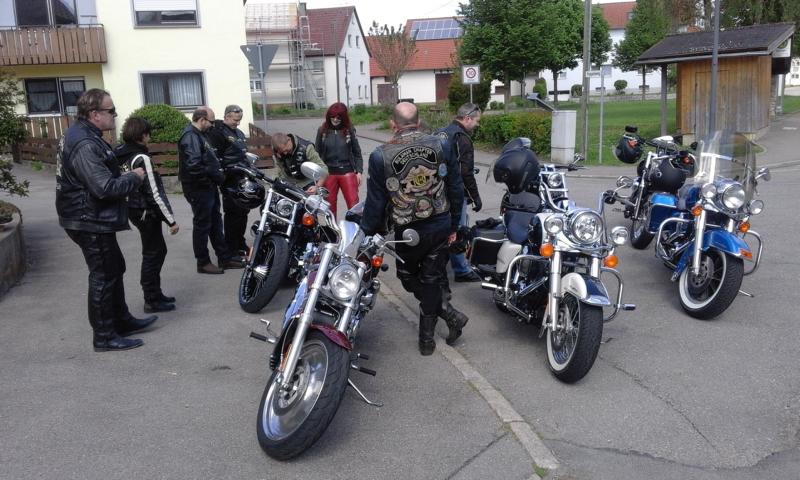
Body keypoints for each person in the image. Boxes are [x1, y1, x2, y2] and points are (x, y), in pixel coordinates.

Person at [360, 101, 469, 356]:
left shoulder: (380, 155)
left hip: (408, 231)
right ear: (418, 122)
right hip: (439, 222)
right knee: (430, 279)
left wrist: (367, 231)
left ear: (392, 124)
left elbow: (376, 201)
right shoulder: (441, 144)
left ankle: (430, 338)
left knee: (409, 277)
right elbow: (456, 186)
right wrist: (455, 223)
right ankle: (446, 319)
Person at [55, 88, 157, 352]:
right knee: (103, 275)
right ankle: (104, 336)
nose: (115, 115)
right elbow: (104, 187)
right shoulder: (85, 143)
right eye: (111, 111)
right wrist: (133, 177)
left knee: (114, 268)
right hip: (88, 219)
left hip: (88, 216)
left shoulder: (84, 134)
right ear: (94, 114)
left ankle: (121, 321)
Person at [114, 117, 179, 313]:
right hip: (145, 212)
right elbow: (154, 193)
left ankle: (156, 294)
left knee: (155, 251)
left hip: (131, 208)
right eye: (148, 134)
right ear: (143, 135)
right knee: (153, 253)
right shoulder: (141, 158)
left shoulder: (119, 152)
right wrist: (171, 221)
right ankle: (151, 299)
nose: (149, 138)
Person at [178, 107, 245, 274]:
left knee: (215, 222)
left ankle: (224, 258)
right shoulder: (190, 136)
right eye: (211, 122)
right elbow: (194, 165)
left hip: (208, 187)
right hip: (199, 188)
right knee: (202, 225)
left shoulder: (200, 134)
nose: (213, 125)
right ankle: (203, 262)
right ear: (202, 120)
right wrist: (210, 179)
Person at [436, 103, 484, 282]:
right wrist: (475, 197)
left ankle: (438, 266)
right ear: (467, 118)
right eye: (476, 121)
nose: (477, 124)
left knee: (441, 228)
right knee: (458, 228)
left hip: (437, 190)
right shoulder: (462, 138)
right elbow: (465, 172)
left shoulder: (440, 133)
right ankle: (462, 270)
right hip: (454, 192)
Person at [206, 104, 251, 257]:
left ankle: (240, 242)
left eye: (239, 120)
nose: (237, 123)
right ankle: (231, 246)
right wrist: (223, 175)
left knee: (243, 211)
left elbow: (243, 153)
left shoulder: (238, 132)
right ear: (226, 117)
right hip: (229, 178)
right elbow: (216, 157)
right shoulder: (218, 132)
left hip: (242, 177)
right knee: (233, 213)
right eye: (235, 120)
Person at [315, 102, 363, 216]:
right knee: (329, 208)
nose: (335, 119)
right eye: (332, 116)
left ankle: (355, 226)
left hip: (347, 172)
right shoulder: (322, 130)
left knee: (354, 206)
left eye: (338, 117)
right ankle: (332, 228)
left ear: (344, 117)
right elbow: (317, 154)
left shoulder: (349, 130)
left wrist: (359, 172)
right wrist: (317, 175)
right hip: (328, 173)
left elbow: (357, 152)